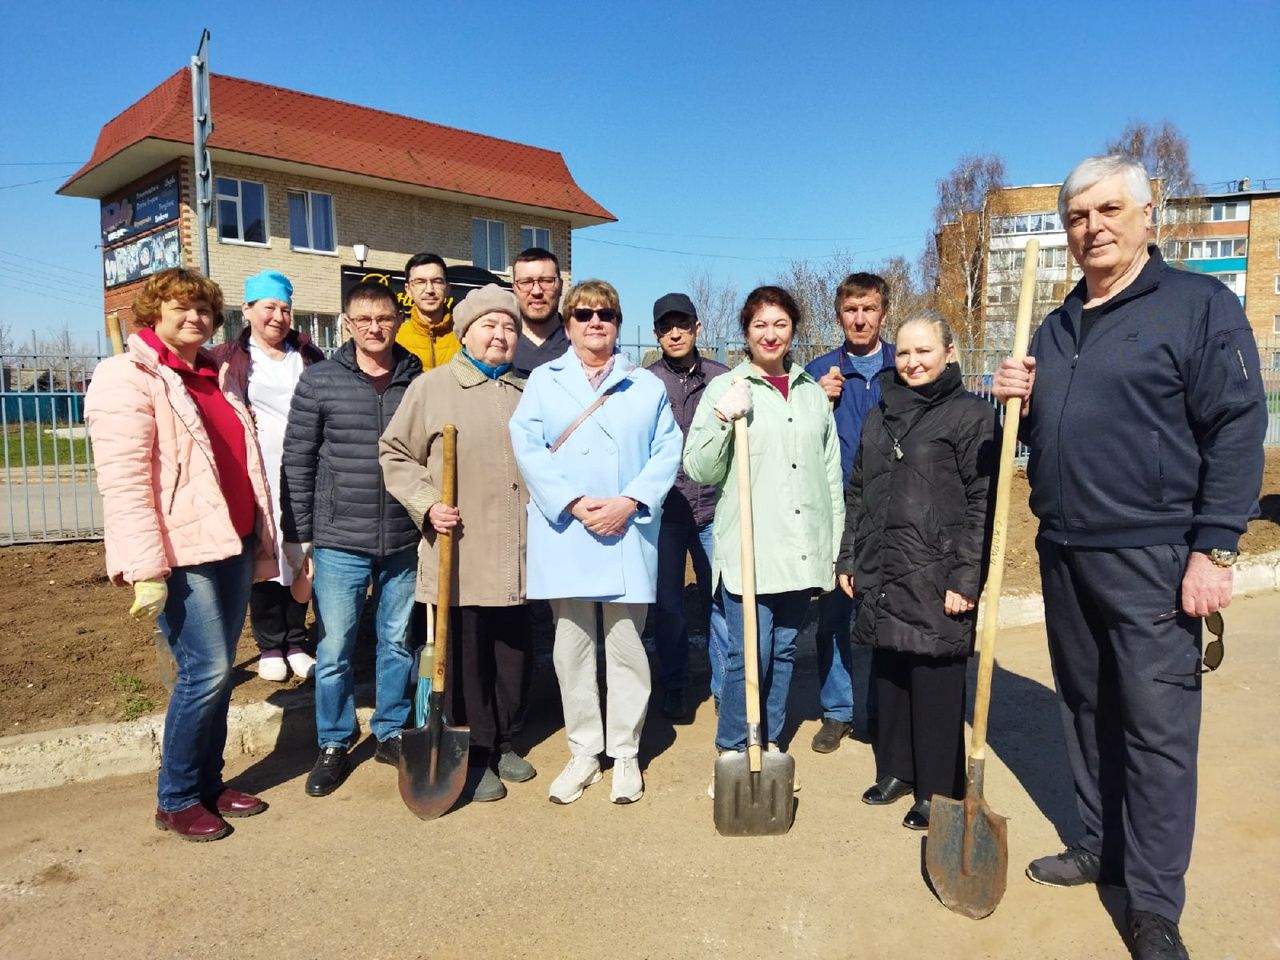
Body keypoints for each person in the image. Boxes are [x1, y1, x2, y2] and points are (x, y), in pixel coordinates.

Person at [992, 154, 1266, 960]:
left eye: (1110, 210)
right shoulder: (1057, 322)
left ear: (1149, 215)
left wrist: (1215, 547)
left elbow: (1237, 428)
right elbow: (1044, 437)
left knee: (1155, 731)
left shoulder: (1197, 306)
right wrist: (1017, 401)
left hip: (1153, 556)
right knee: (1084, 707)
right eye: (1078, 216)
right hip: (1065, 551)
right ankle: (1100, 845)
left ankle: (1153, 905)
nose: (1092, 228)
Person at [85, 267, 278, 842]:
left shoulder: (214, 375)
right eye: (181, 307)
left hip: (234, 542)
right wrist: (146, 568)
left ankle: (208, 784)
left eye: (203, 310)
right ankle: (174, 797)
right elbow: (123, 480)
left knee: (214, 674)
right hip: (182, 550)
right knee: (207, 670)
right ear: (154, 311)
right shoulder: (126, 376)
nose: (194, 317)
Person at [509, 279, 682, 805]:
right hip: (569, 530)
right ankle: (584, 750)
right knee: (572, 648)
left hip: (626, 531)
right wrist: (575, 504)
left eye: (606, 314)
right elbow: (528, 447)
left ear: (618, 323)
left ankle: (626, 753)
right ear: (567, 324)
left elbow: (667, 449)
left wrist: (629, 502)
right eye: (583, 314)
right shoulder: (544, 380)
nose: (595, 322)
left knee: (628, 649)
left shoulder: (644, 385)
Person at [835, 316, 997, 831]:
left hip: (939, 571)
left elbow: (982, 503)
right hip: (884, 564)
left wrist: (966, 579)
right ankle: (898, 770)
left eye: (923, 351)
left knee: (934, 676)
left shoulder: (970, 415)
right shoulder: (880, 413)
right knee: (892, 671)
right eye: (903, 353)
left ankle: (938, 789)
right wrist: (848, 557)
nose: (912, 362)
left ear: (949, 352)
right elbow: (858, 491)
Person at [684, 286, 843, 796]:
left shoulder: (812, 394)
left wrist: (833, 545)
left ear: (793, 328)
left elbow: (830, 475)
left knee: (785, 651)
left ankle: (768, 741)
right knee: (747, 654)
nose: (770, 334)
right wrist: (721, 418)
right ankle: (734, 748)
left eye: (780, 324)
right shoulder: (726, 389)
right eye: (759, 325)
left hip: (800, 548)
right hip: (750, 550)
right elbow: (699, 468)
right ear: (746, 332)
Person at [380, 284, 535, 803]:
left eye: (510, 327)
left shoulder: (526, 390)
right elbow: (396, 453)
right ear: (465, 333)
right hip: (460, 549)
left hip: (519, 550)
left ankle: (506, 741)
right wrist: (426, 502)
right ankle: (477, 750)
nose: (501, 335)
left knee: (513, 654)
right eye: (490, 325)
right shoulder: (433, 388)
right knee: (466, 657)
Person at [280, 280, 424, 798]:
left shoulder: (419, 381)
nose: (374, 327)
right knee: (336, 647)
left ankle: (389, 731)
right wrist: (298, 539)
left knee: (396, 642)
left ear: (397, 320)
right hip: (340, 540)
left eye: (383, 318)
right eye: (362, 319)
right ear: (347, 324)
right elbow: (296, 462)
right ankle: (335, 741)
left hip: (405, 538)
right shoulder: (320, 381)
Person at [210, 270, 325, 682]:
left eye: (285, 309)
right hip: (257, 474)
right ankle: (270, 644)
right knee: (265, 555)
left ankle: (297, 639)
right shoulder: (228, 359)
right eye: (269, 308)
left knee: (300, 553)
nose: (278, 317)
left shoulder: (308, 356)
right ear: (248, 310)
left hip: (304, 472)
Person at [804, 272, 897, 753]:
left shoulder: (904, 368)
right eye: (850, 310)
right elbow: (794, 439)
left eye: (869, 309)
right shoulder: (819, 371)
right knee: (834, 618)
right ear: (839, 315)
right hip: (837, 514)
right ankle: (837, 711)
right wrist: (815, 402)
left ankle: (883, 711)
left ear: (883, 313)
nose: (860, 319)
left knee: (886, 616)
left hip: (893, 513)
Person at [645, 292, 730, 719]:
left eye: (682, 325)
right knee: (668, 604)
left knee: (719, 599)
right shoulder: (646, 383)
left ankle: (723, 689)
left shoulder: (723, 379)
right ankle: (675, 684)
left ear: (698, 328)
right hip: (665, 514)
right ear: (657, 333)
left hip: (713, 508)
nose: (674, 333)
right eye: (665, 327)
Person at [510, 247, 568, 378]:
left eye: (546, 281)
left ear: (560, 286)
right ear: (514, 289)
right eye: (526, 282)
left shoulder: (580, 347)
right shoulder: (501, 345)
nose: (536, 291)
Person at [396, 252, 460, 370]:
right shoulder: (396, 337)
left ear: (447, 288)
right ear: (408, 289)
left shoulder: (465, 336)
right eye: (420, 282)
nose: (429, 290)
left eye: (436, 281)